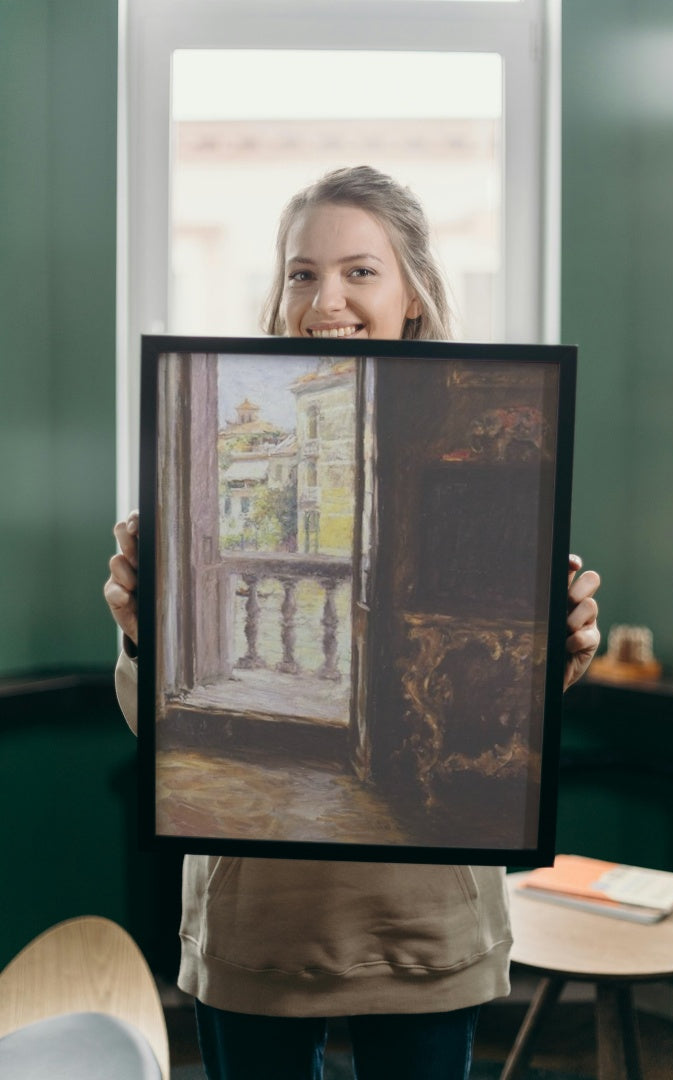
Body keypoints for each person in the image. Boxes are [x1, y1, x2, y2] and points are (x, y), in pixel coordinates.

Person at [105, 166, 601, 1080]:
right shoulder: (198, 427)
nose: (324, 298)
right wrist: (142, 635)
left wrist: (559, 653)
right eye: (301, 272)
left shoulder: (500, 426)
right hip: (255, 927)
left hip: (426, 924)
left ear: (412, 292)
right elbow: (156, 731)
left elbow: (512, 724)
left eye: (359, 271)